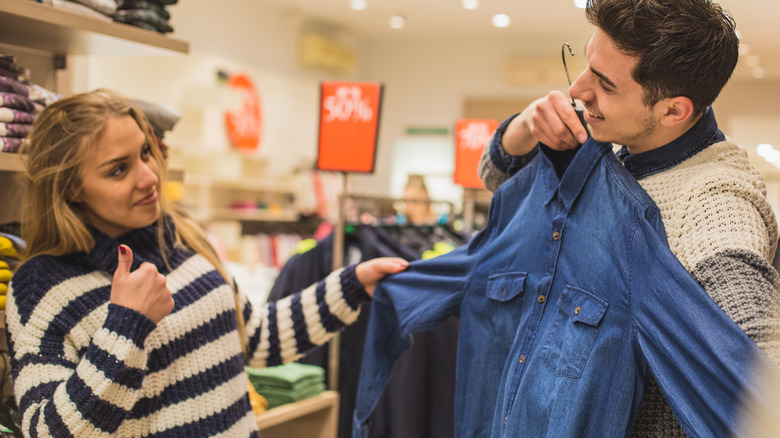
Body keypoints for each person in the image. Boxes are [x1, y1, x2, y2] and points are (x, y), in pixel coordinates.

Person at [4, 89, 409, 437]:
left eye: (145, 153)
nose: (148, 176)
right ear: (72, 188)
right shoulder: (40, 287)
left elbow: (255, 337)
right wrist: (126, 327)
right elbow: (45, 430)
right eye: (119, 169)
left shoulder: (181, 237)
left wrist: (353, 284)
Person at [478, 0, 779, 436]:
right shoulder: (612, 144)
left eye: (604, 84)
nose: (578, 90)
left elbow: (749, 328)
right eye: (584, 63)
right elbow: (496, 176)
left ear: (674, 110)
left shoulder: (714, 200)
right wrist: (524, 126)